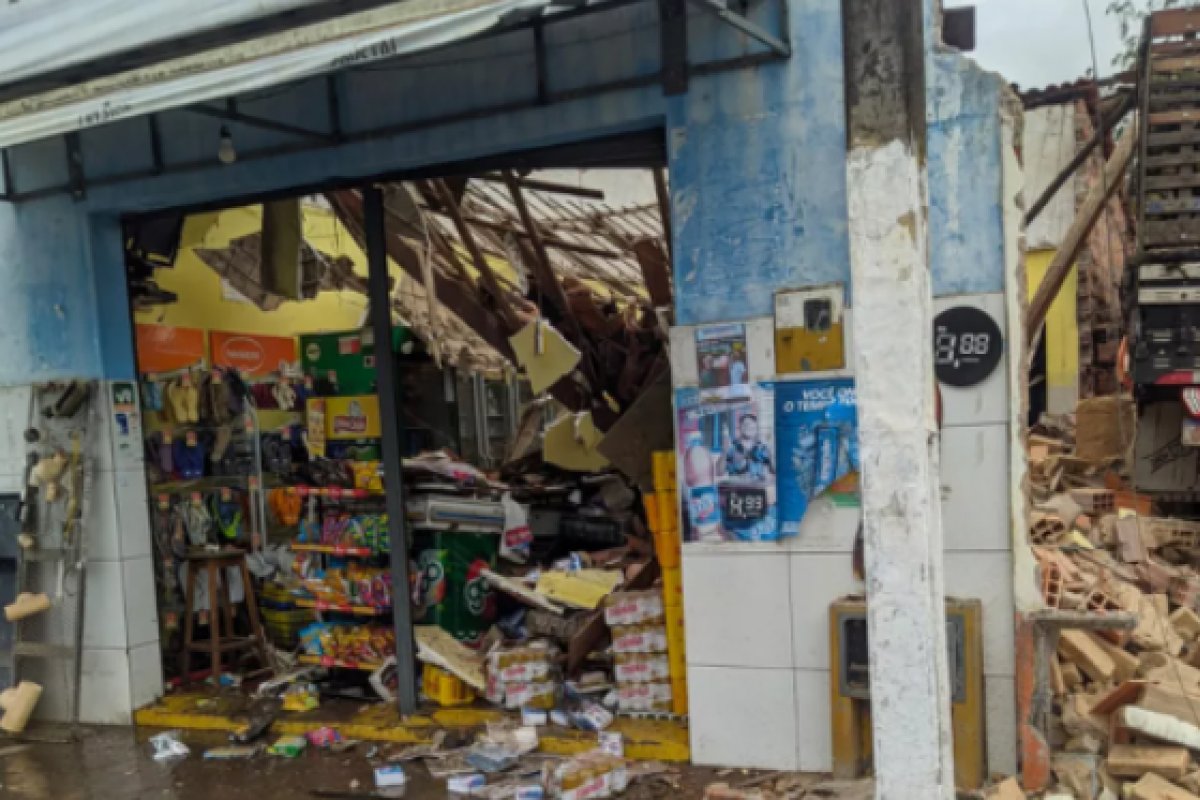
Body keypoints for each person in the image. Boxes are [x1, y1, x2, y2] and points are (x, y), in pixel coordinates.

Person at [719, 413, 774, 481]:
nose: (749, 427)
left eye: (752, 425)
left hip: (758, 489)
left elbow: (773, 471)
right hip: (735, 489)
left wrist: (771, 452)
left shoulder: (763, 448)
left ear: (756, 428)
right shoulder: (731, 446)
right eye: (746, 425)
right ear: (739, 427)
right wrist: (724, 451)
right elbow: (719, 472)